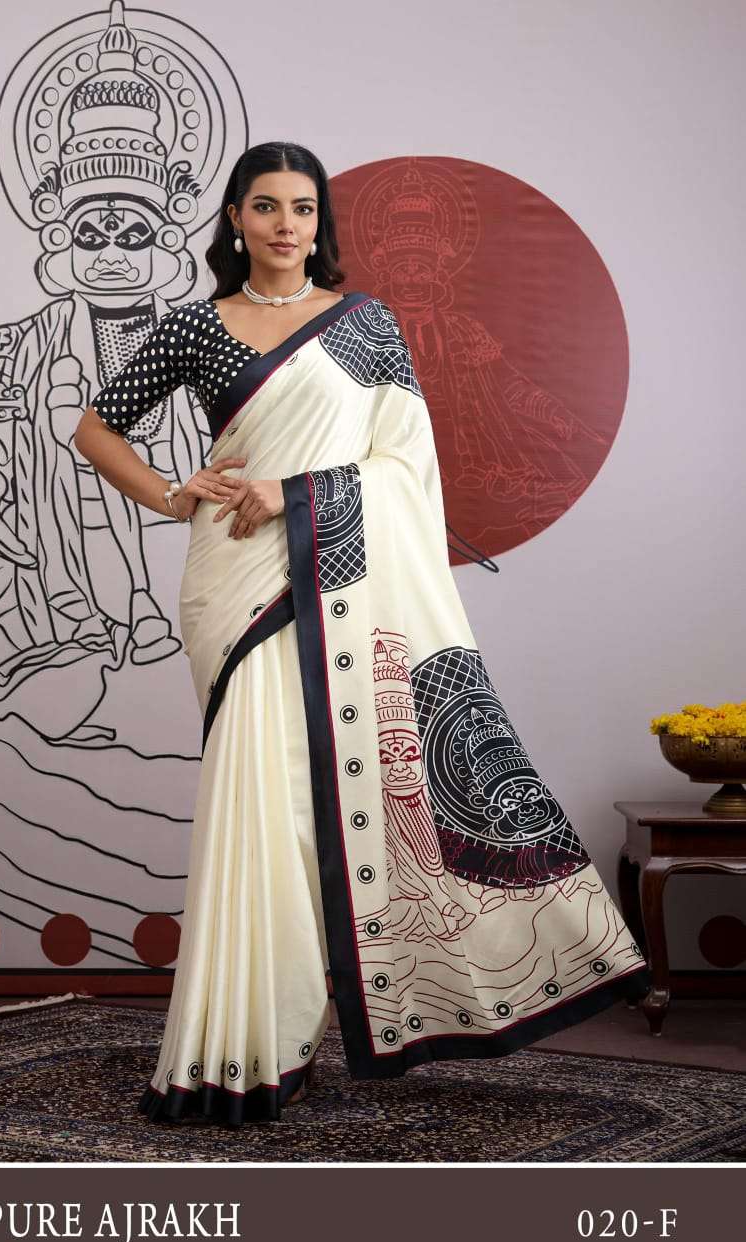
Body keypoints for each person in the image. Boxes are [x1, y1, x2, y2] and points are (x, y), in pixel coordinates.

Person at [73, 140, 652, 1129]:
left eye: (301, 208)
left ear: (319, 224)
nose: (284, 225)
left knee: (316, 807)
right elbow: (94, 428)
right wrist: (174, 494)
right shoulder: (197, 326)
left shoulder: (364, 325)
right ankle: (240, 1043)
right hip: (234, 584)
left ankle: (289, 1031)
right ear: (234, 219)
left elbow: (405, 472)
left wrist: (292, 491)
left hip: (330, 573)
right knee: (257, 806)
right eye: (265, 206)